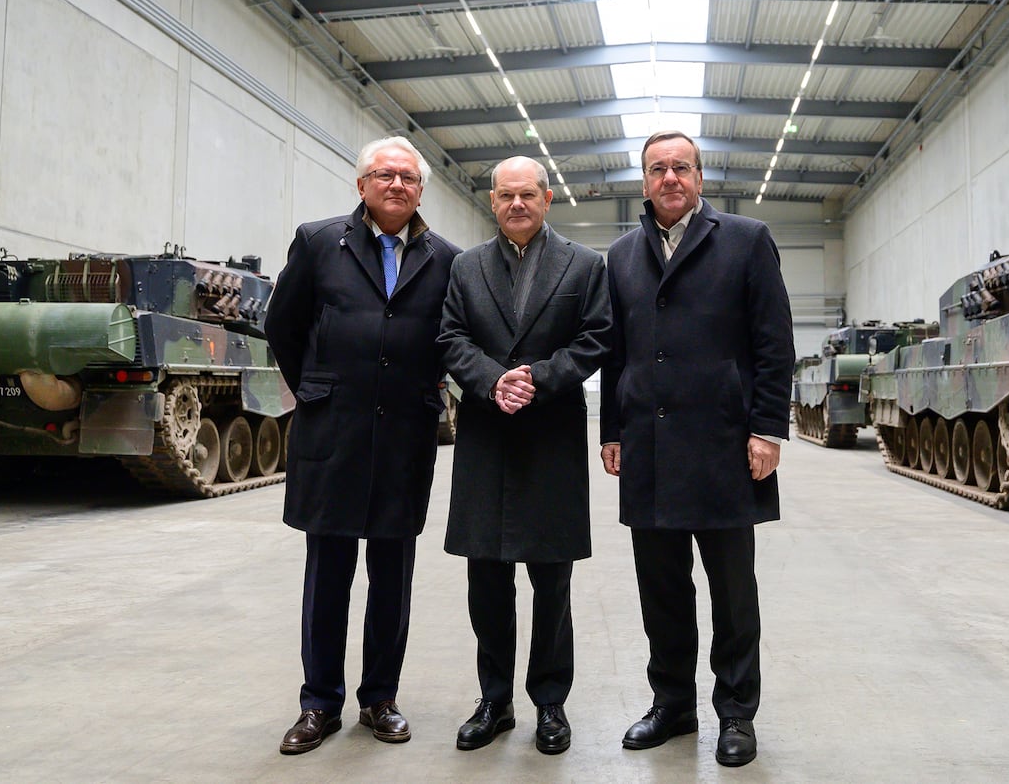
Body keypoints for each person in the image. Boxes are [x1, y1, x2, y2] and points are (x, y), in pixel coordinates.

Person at [598, 130, 794, 768]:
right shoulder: (622, 254)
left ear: (700, 177)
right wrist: (611, 429)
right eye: (658, 169)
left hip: (725, 445)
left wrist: (767, 428)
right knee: (661, 588)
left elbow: (773, 343)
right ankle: (673, 703)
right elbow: (614, 351)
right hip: (648, 445)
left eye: (681, 167)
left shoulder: (745, 240)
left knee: (733, 589)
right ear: (644, 181)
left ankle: (736, 713)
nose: (670, 178)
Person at [264, 135, 460, 756]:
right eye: (383, 175)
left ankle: (379, 697)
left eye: (407, 177)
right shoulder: (321, 242)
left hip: (405, 435)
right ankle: (319, 703)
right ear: (362, 185)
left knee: (392, 576)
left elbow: (449, 340)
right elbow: (283, 325)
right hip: (334, 434)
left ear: (421, 190)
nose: (396, 185)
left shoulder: (446, 258)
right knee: (328, 576)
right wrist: (315, 389)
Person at [437, 156, 612, 756]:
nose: (517, 204)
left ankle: (550, 702)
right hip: (487, 437)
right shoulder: (465, 267)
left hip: (551, 438)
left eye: (528, 195)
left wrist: (536, 378)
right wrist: (492, 381)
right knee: (486, 577)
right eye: (506, 195)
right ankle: (494, 700)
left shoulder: (585, 266)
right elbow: (450, 338)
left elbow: (595, 339)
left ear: (546, 199)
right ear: (493, 202)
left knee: (551, 581)